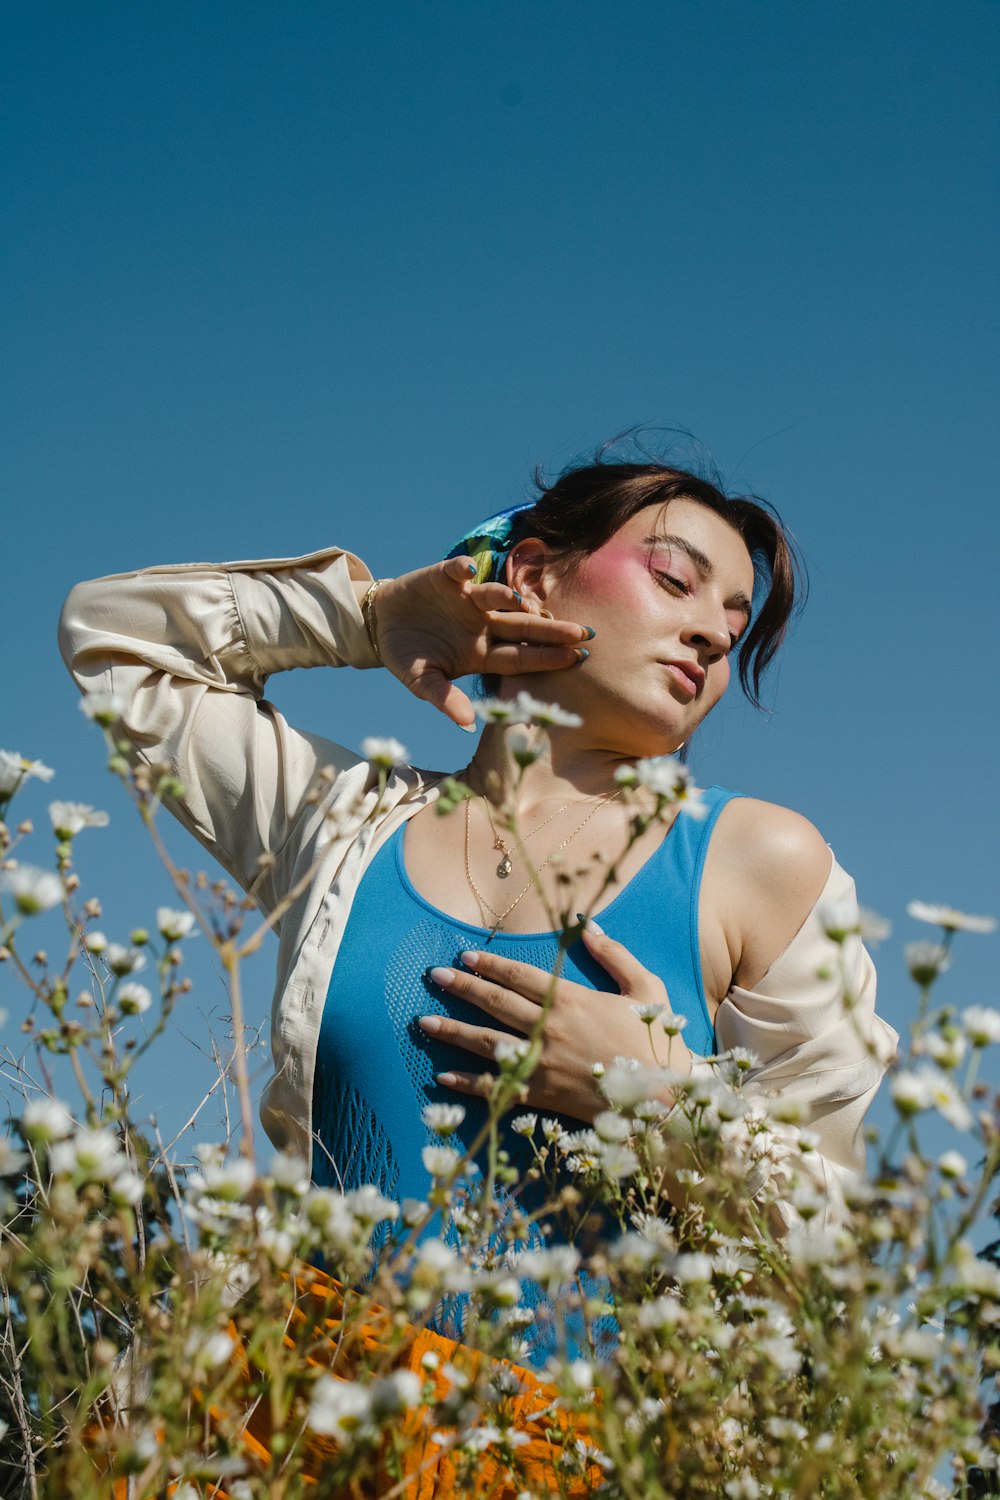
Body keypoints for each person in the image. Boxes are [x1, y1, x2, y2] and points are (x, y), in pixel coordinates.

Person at [59, 454, 897, 1366]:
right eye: (675, 580)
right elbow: (115, 640)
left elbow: (831, 1253)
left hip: (599, 1457)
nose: (707, 634)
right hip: (321, 1435)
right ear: (533, 575)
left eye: (732, 628)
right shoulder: (341, 826)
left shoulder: (756, 860)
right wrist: (368, 617)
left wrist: (661, 1096)